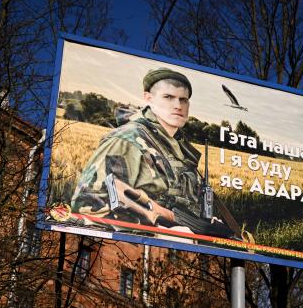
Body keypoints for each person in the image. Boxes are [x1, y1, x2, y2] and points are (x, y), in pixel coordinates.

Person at [70, 67, 232, 237]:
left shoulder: (181, 151)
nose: (178, 105)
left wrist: (204, 223)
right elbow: (87, 206)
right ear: (149, 98)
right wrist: (157, 233)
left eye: (183, 100)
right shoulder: (126, 140)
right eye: (168, 97)